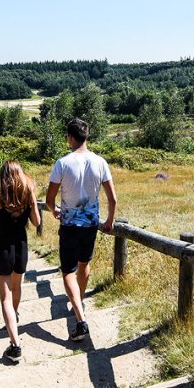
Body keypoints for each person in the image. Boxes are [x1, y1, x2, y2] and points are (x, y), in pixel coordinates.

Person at [45, 118, 117, 342]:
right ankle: (80, 302)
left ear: (70, 137)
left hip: (69, 225)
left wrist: (55, 210)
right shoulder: (100, 162)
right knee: (84, 264)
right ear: (87, 136)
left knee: (67, 271)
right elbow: (112, 199)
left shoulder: (62, 163)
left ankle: (80, 320)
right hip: (91, 224)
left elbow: (49, 200)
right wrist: (110, 221)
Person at [0, 160, 41, 363]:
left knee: (5, 297)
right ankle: (14, 318)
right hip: (20, 244)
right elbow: (37, 222)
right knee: (17, 287)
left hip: (1, 244)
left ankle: (15, 345)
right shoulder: (28, 193)